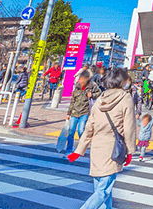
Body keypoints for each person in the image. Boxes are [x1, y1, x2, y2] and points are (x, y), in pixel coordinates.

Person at [68, 67, 136, 209]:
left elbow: (89, 126)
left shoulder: (100, 99)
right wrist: (130, 150)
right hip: (113, 150)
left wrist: (79, 149)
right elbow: (129, 127)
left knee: (103, 190)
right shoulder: (125, 98)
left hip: (97, 148)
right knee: (103, 192)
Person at [57, 69, 98, 156]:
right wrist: (68, 114)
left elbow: (100, 93)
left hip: (85, 112)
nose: (81, 80)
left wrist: (92, 95)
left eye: (83, 79)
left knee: (81, 131)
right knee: (71, 132)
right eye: (80, 79)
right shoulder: (77, 87)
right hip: (74, 113)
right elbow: (72, 101)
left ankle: (80, 149)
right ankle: (69, 149)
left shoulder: (92, 86)